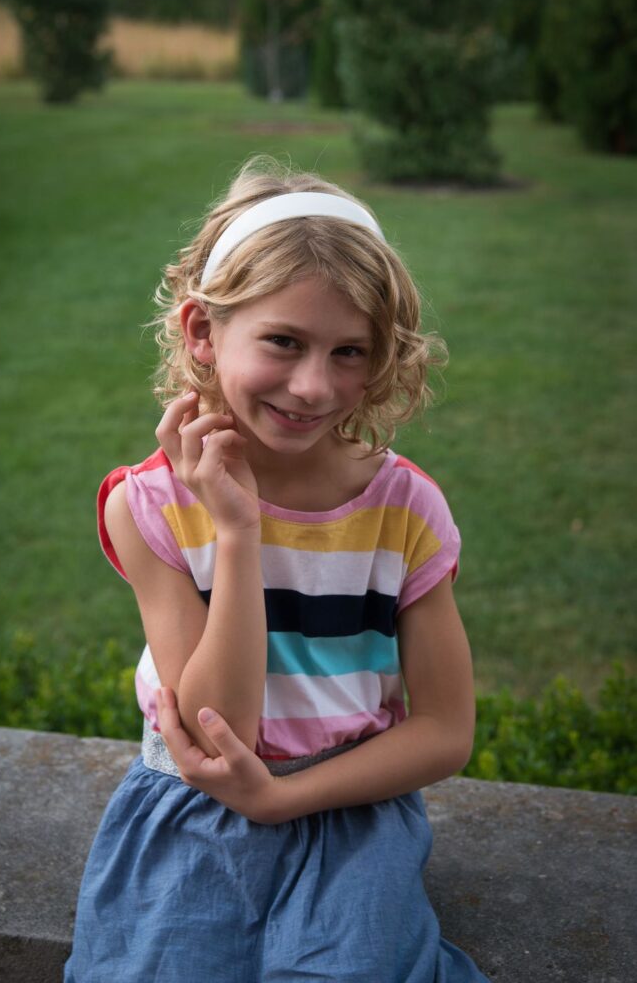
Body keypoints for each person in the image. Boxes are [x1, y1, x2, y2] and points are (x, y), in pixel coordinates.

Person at [64, 157, 490, 982]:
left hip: (350, 811)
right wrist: (237, 530)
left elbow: (446, 730)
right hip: (192, 810)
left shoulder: (404, 511)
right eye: (284, 342)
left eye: (350, 352)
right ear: (201, 331)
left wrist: (285, 798)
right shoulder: (149, 506)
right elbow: (222, 726)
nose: (313, 386)